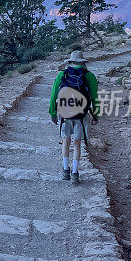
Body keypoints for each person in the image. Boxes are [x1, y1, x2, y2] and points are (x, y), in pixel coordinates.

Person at [49, 49, 99, 184]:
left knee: (65, 141)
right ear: (83, 62)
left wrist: (53, 113)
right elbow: (94, 98)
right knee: (77, 144)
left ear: (70, 62)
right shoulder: (89, 76)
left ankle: (65, 171)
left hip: (65, 114)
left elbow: (54, 95)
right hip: (81, 115)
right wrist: (95, 115)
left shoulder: (61, 75)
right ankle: (75, 173)